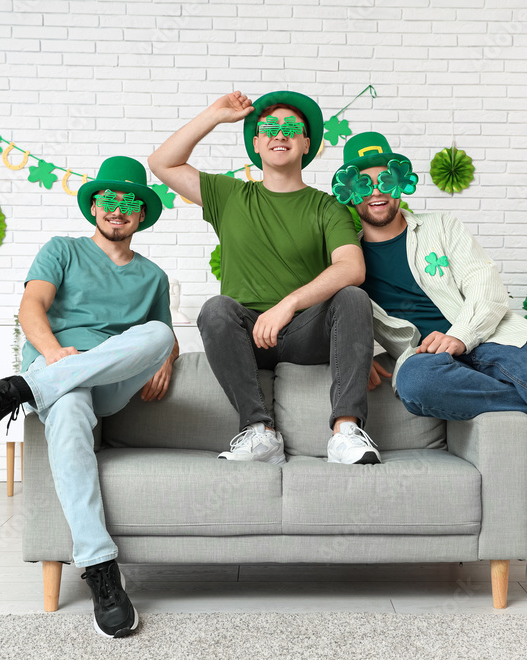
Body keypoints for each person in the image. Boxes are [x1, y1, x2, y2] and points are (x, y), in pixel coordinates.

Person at [335, 132, 527, 597]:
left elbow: (487, 288)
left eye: (385, 179)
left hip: (494, 335)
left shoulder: (441, 227)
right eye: (363, 182)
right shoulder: (345, 257)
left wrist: (460, 335)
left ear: (400, 183)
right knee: (416, 384)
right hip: (427, 359)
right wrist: (365, 356)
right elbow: (341, 316)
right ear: (349, 190)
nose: (376, 191)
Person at [0, 156, 178, 638]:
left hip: (107, 384)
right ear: (94, 207)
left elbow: (164, 339)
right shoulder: (61, 249)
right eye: (108, 199)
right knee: (70, 401)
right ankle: (100, 569)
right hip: (58, 369)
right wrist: (55, 355)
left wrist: (165, 359)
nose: (117, 209)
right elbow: (30, 307)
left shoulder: (153, 277)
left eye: (129, 201)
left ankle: (16, 393)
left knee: (161, 334)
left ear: (142, 213)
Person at [149, 90, 379, 465]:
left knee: (353, 296)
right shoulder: (229, 195)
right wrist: (214, 115)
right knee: (216, 308)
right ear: (256, 143)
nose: (279, 134)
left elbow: (352, 267)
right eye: (269, 128)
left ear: (307, 143)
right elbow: (161, 163)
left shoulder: (327, 206)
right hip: (246, 336)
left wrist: (288, 305)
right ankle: (259, 432)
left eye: (291, 128)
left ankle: (346, 433)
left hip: (306, 333)